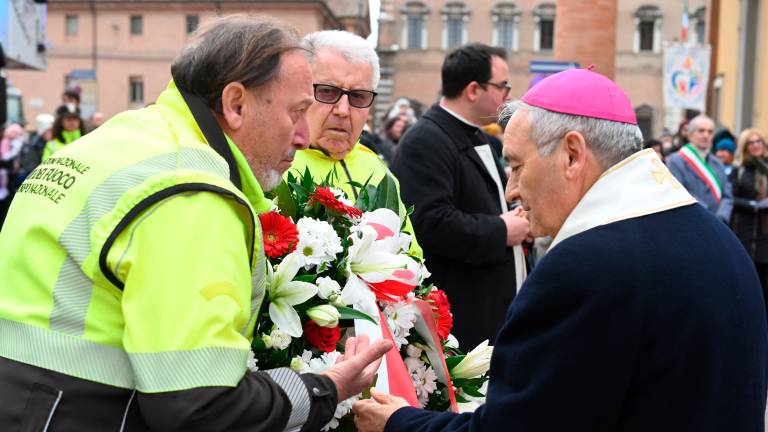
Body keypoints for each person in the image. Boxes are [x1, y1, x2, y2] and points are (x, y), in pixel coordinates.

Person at [0, 15, 391, 431]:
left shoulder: (127, 136)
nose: (301, 135)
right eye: (296, 112)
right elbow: (200, 405)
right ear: (236, 103)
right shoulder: (194, 195)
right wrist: (324, 388)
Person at [353, 68, 768, 432]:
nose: (512, 189)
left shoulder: (584, 268)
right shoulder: (717, 239)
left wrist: (400, 423)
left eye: (516, 166)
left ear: (572, 154)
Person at [390, 43, 529, 350]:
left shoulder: (479, 135)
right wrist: (502, 230)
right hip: (463, 313)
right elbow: (429, 222)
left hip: (494, 305)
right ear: (473, 90)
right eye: (502, 86)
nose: (507, 94)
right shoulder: (425, 140)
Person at [288, 30, 421, 256]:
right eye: (328, 91)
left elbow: (408, 256)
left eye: (358, 96)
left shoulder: (378, 171)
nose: (342, 110)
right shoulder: (272, 162)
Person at [667, 114, 733, 223]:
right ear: (690, 134)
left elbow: (727, 195)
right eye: (701, 131)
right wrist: (708, 216)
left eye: (710, 132)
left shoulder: (718, 163)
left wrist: (721, 217)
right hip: (692, 222)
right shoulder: (676, 161)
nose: (706, 135)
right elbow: (680, 193)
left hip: (719, 225)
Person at [730, 128, 768, 307]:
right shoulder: (739, 170)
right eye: (751, 143)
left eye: (758, 141)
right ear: (745, 147)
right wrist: (752, 204)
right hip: (745, 229)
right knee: (748, 278)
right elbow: (731, 197)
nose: (755, 145)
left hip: (765, 232)